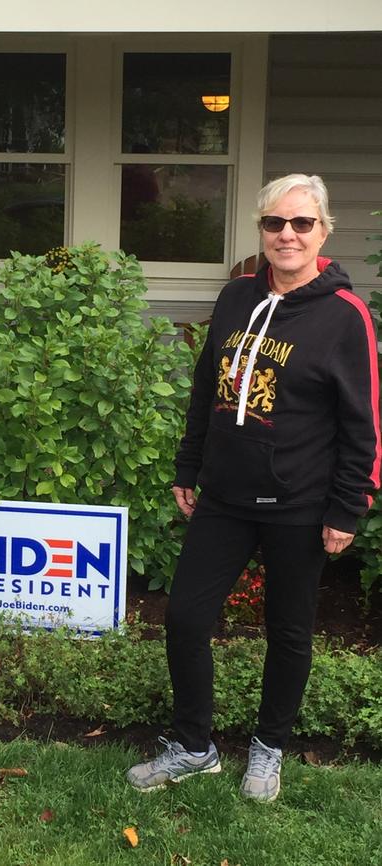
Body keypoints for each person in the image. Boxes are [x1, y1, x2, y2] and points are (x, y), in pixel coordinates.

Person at [127, 173, 380, 801]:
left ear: (323, 231)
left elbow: (363, 421)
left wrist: (349, 506)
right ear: (261, 231)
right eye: (274, 223)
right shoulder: (238, 296)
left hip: (300, 504)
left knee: (288, 632)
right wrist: (189, 467)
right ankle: (194, 745)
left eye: (301, 223)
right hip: (225, 497)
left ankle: (269, 750)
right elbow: (205, 391)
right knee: (185, 617)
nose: (287, 234)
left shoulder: (346, 317)